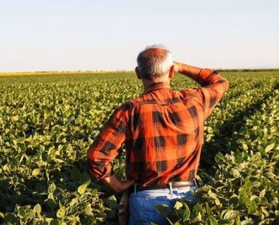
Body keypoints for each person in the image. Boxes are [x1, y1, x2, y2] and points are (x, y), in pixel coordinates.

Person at [87, 45, 229, 224]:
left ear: (138, 73)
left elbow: (96, 156)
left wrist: (118, 185)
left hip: (146, 200)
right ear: (171, 72)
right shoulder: (194, 101)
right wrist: (182, 67)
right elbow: (220, 83)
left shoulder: (130, 110)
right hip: (186, 199)